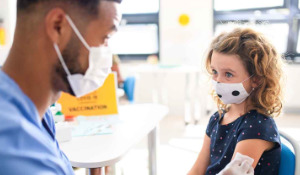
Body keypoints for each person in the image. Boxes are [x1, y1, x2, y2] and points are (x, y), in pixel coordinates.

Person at [0, 0, 122, 174]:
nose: (106, 53)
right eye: (105, 38)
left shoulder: (39, 113)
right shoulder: (13, 147)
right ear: (58, 26)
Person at [188, 28, 284, 175]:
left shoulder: (257, 127)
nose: (218, 80)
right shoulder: (217, 118)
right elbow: (197, 170)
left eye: (228, 74)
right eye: (214, 71)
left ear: (256, 79)